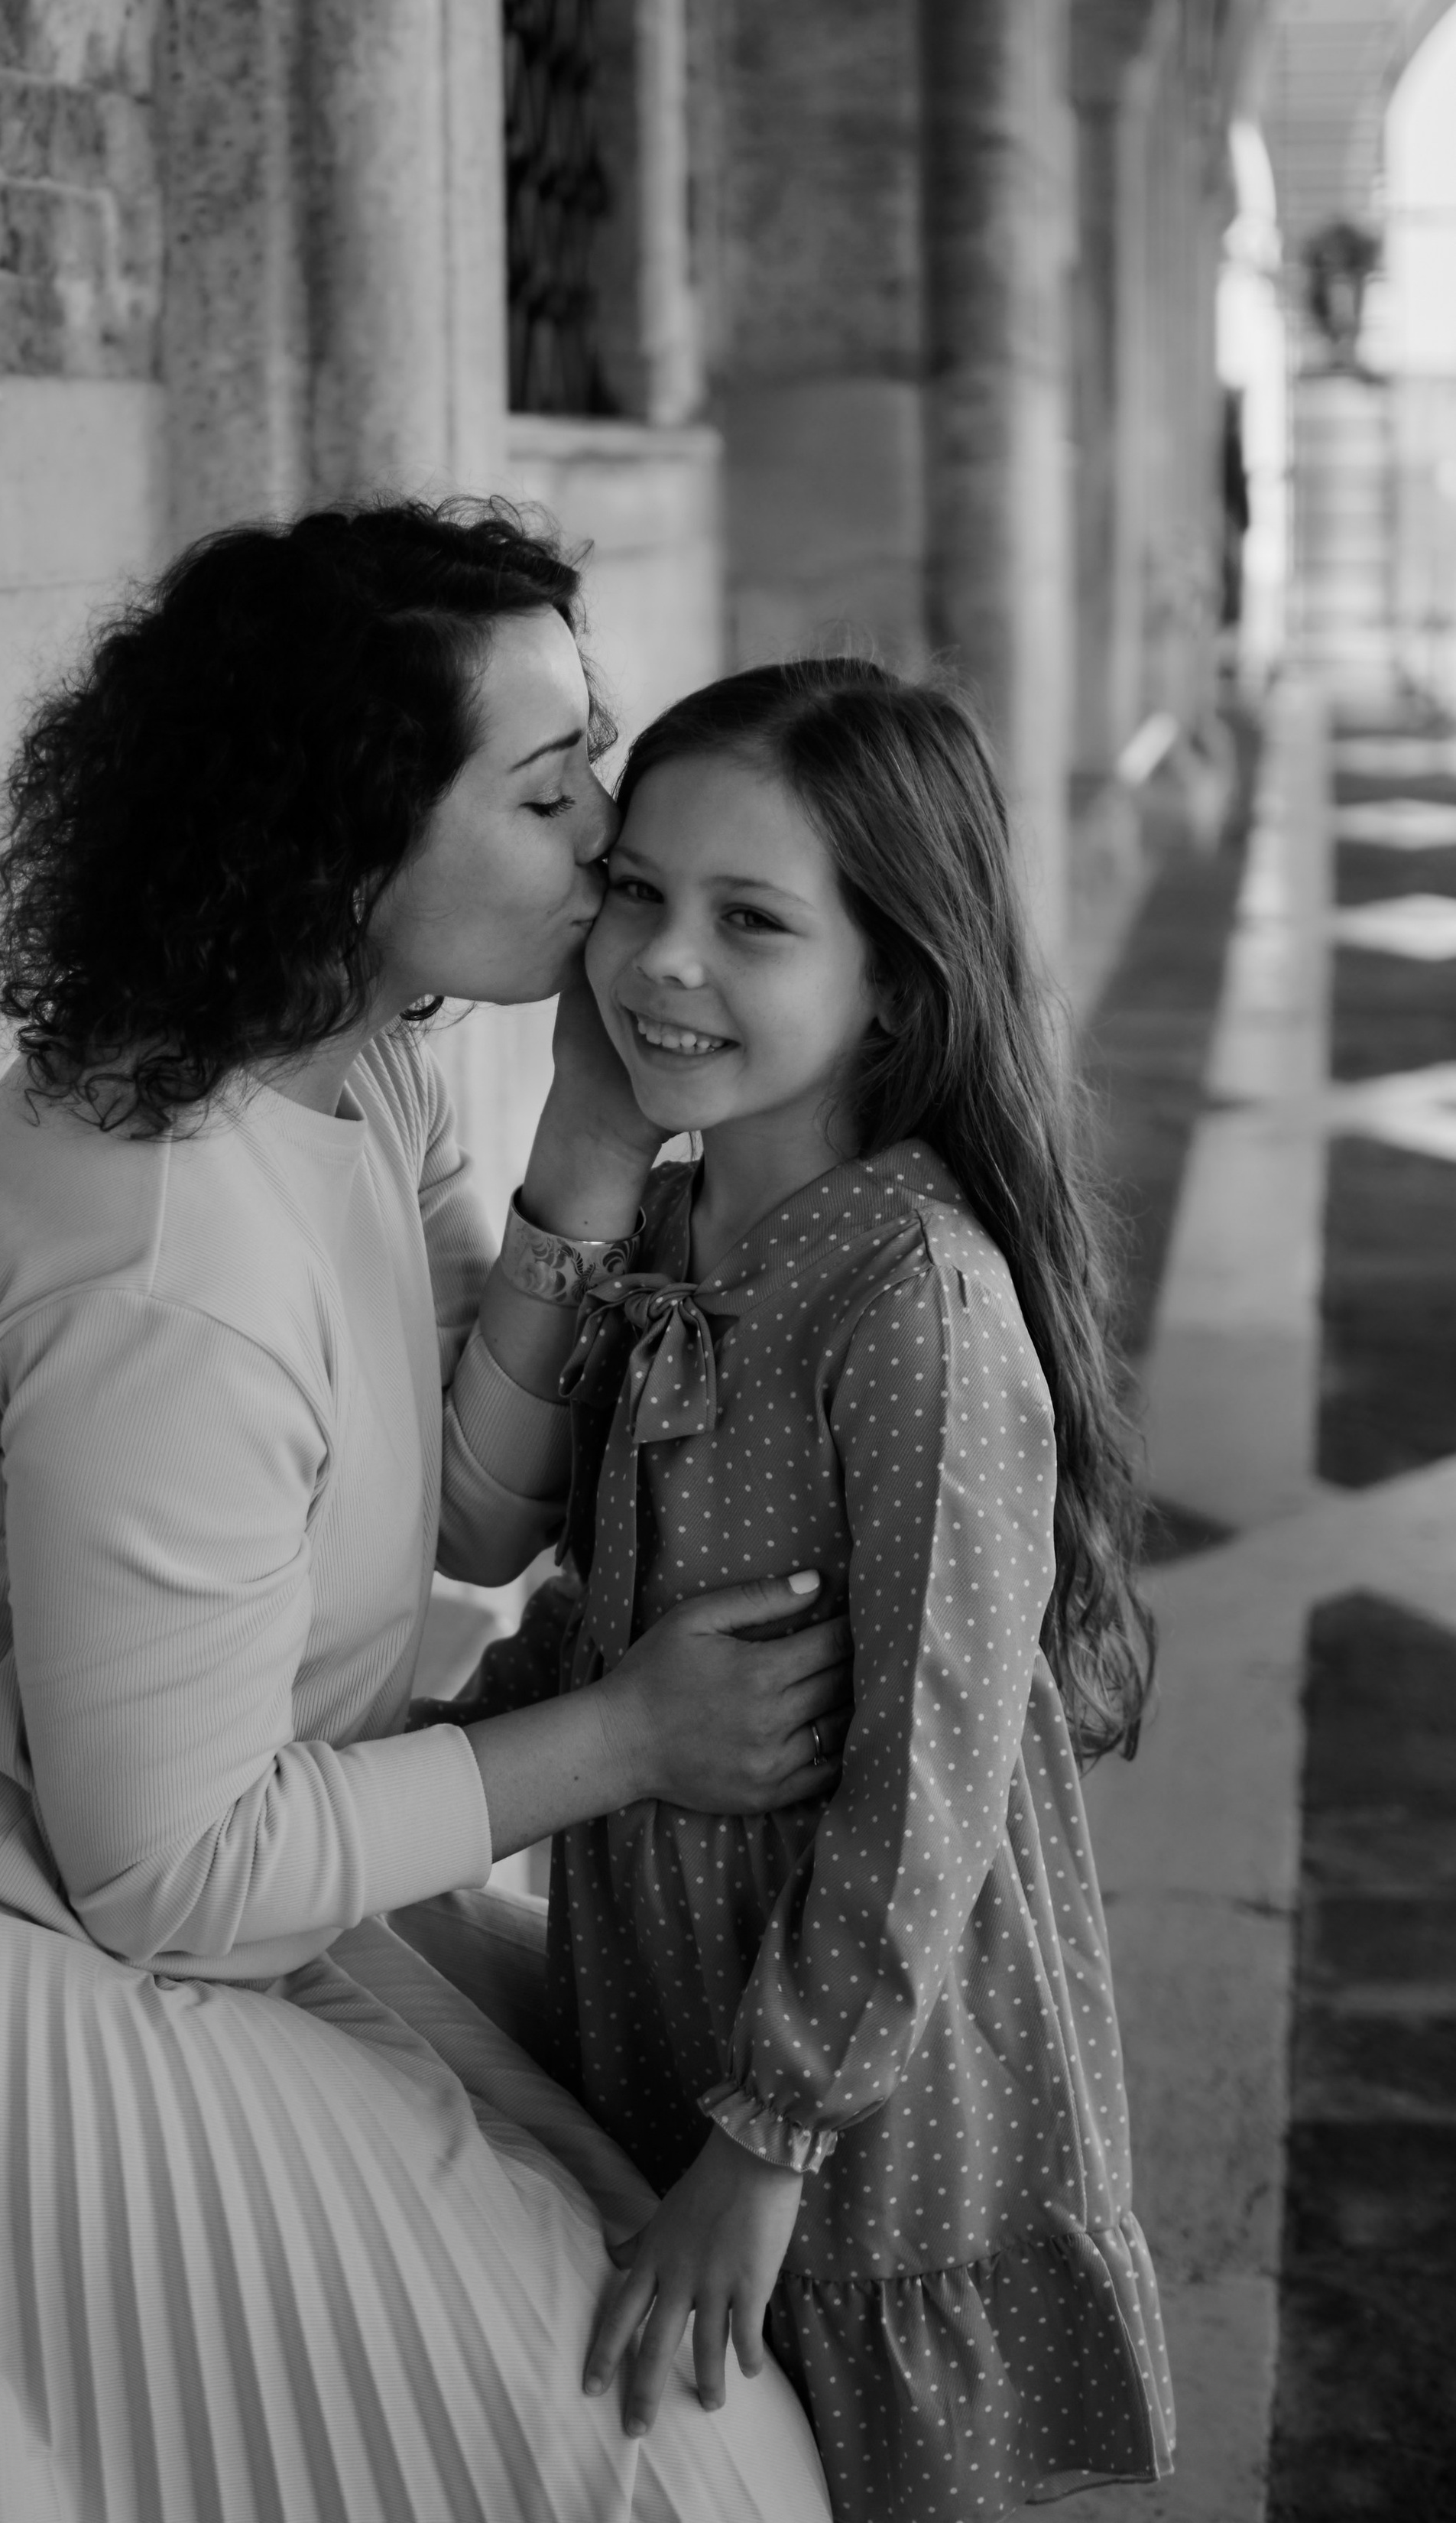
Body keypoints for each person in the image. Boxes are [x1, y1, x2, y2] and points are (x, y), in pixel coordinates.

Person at [0, 502, 848, 2523]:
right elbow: (180, 1871)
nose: (609, 838)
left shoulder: (343, 1071)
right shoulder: (167, 1265)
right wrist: (625, 1740)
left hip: (129, 1891)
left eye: (600, 761)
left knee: (669, 2251)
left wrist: (585, 1151)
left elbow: (470, 1513)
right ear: (348, 827)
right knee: (669, 2454)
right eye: (550, 787)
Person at [425, 658, 1177, 2523]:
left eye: (748, 922)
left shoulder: (907, 1301)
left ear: (892, 987)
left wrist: (769, 2134)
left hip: (861, 2091)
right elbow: (597, 1597)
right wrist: (395, 1760)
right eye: (639, 893)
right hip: (667, 1998)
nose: (662, 962)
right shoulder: (677, 1232)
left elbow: (927, 1772)